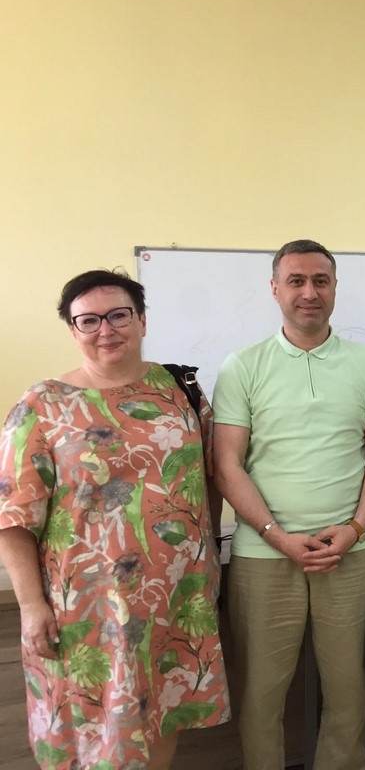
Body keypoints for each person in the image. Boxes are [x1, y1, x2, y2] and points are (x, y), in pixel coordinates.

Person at [0, 270, 229, 769]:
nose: (106, 329)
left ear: (142, 320)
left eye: (119, 315)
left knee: (163, 713)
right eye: (89, 320)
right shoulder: (42, 405)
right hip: (85, 604)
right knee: (90, 728)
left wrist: (207, 554)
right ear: (73, 330)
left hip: (175, 594)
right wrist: (31, 605)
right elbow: (13, 515)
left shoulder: (181, 390)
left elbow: (212, 474)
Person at [212, 240, 365, 770]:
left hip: (349, 552)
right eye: (296, 281)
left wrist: (356, 526)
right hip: (264, 554)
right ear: (275, 289)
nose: (309, 292)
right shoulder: (243, 366)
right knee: (262, 695)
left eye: (320, 280)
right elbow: (227, 464)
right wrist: (277, 535)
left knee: (349, 689)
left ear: (335, 288)